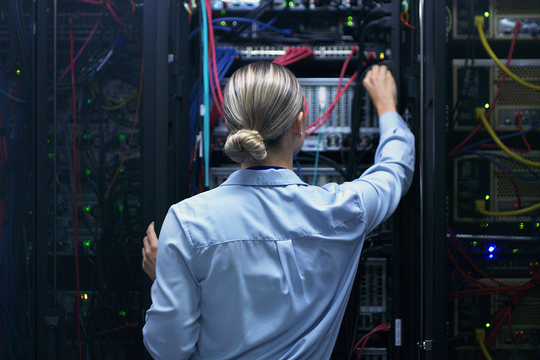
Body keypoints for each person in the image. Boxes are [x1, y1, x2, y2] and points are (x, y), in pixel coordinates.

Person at [142, 62, 415, 360]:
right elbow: (395, 170)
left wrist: (168, 281)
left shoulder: (187, 222)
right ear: (299, 125)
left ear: (232, 128)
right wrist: (387, 105)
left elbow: (168, 352)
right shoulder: (346, 211)